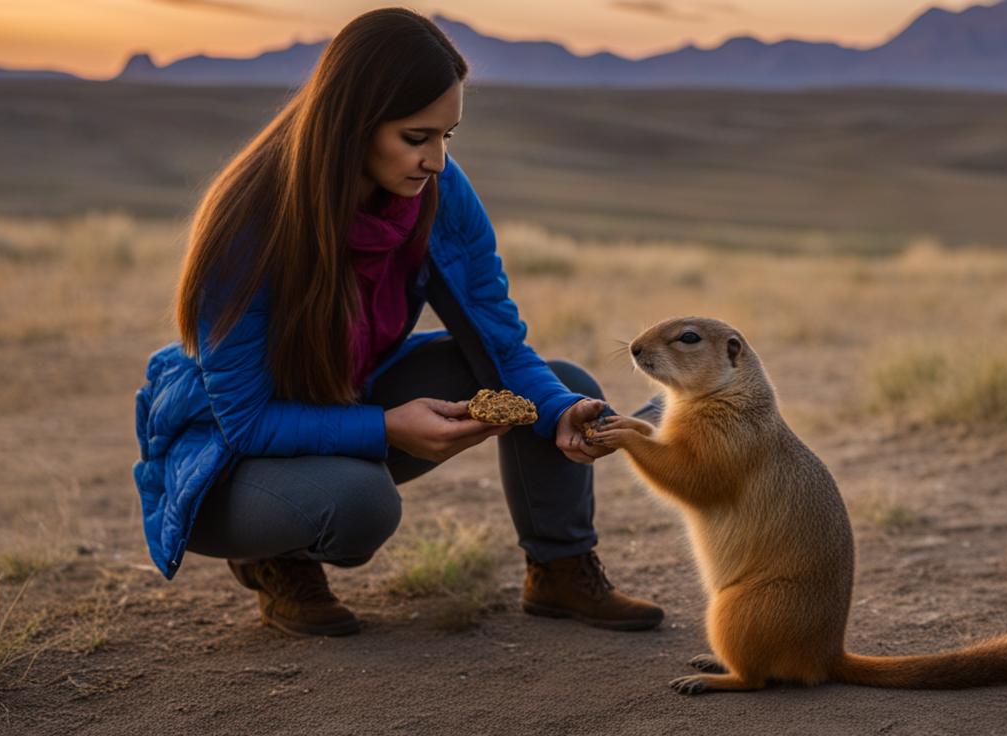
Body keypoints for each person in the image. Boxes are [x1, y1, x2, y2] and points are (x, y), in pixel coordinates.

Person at [132, 8, 663, 637]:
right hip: (229, 458)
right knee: (358, 506)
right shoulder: (250, 223)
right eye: (417, 138)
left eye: (448, 137)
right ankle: (274, 561)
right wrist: (386, 427)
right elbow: (245, 421)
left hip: (343, 398)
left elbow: (500, 344)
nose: (436, 161)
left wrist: (558, 412)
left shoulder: (436, 193)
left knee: (559, 384)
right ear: (353, 126)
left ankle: (559, 571)